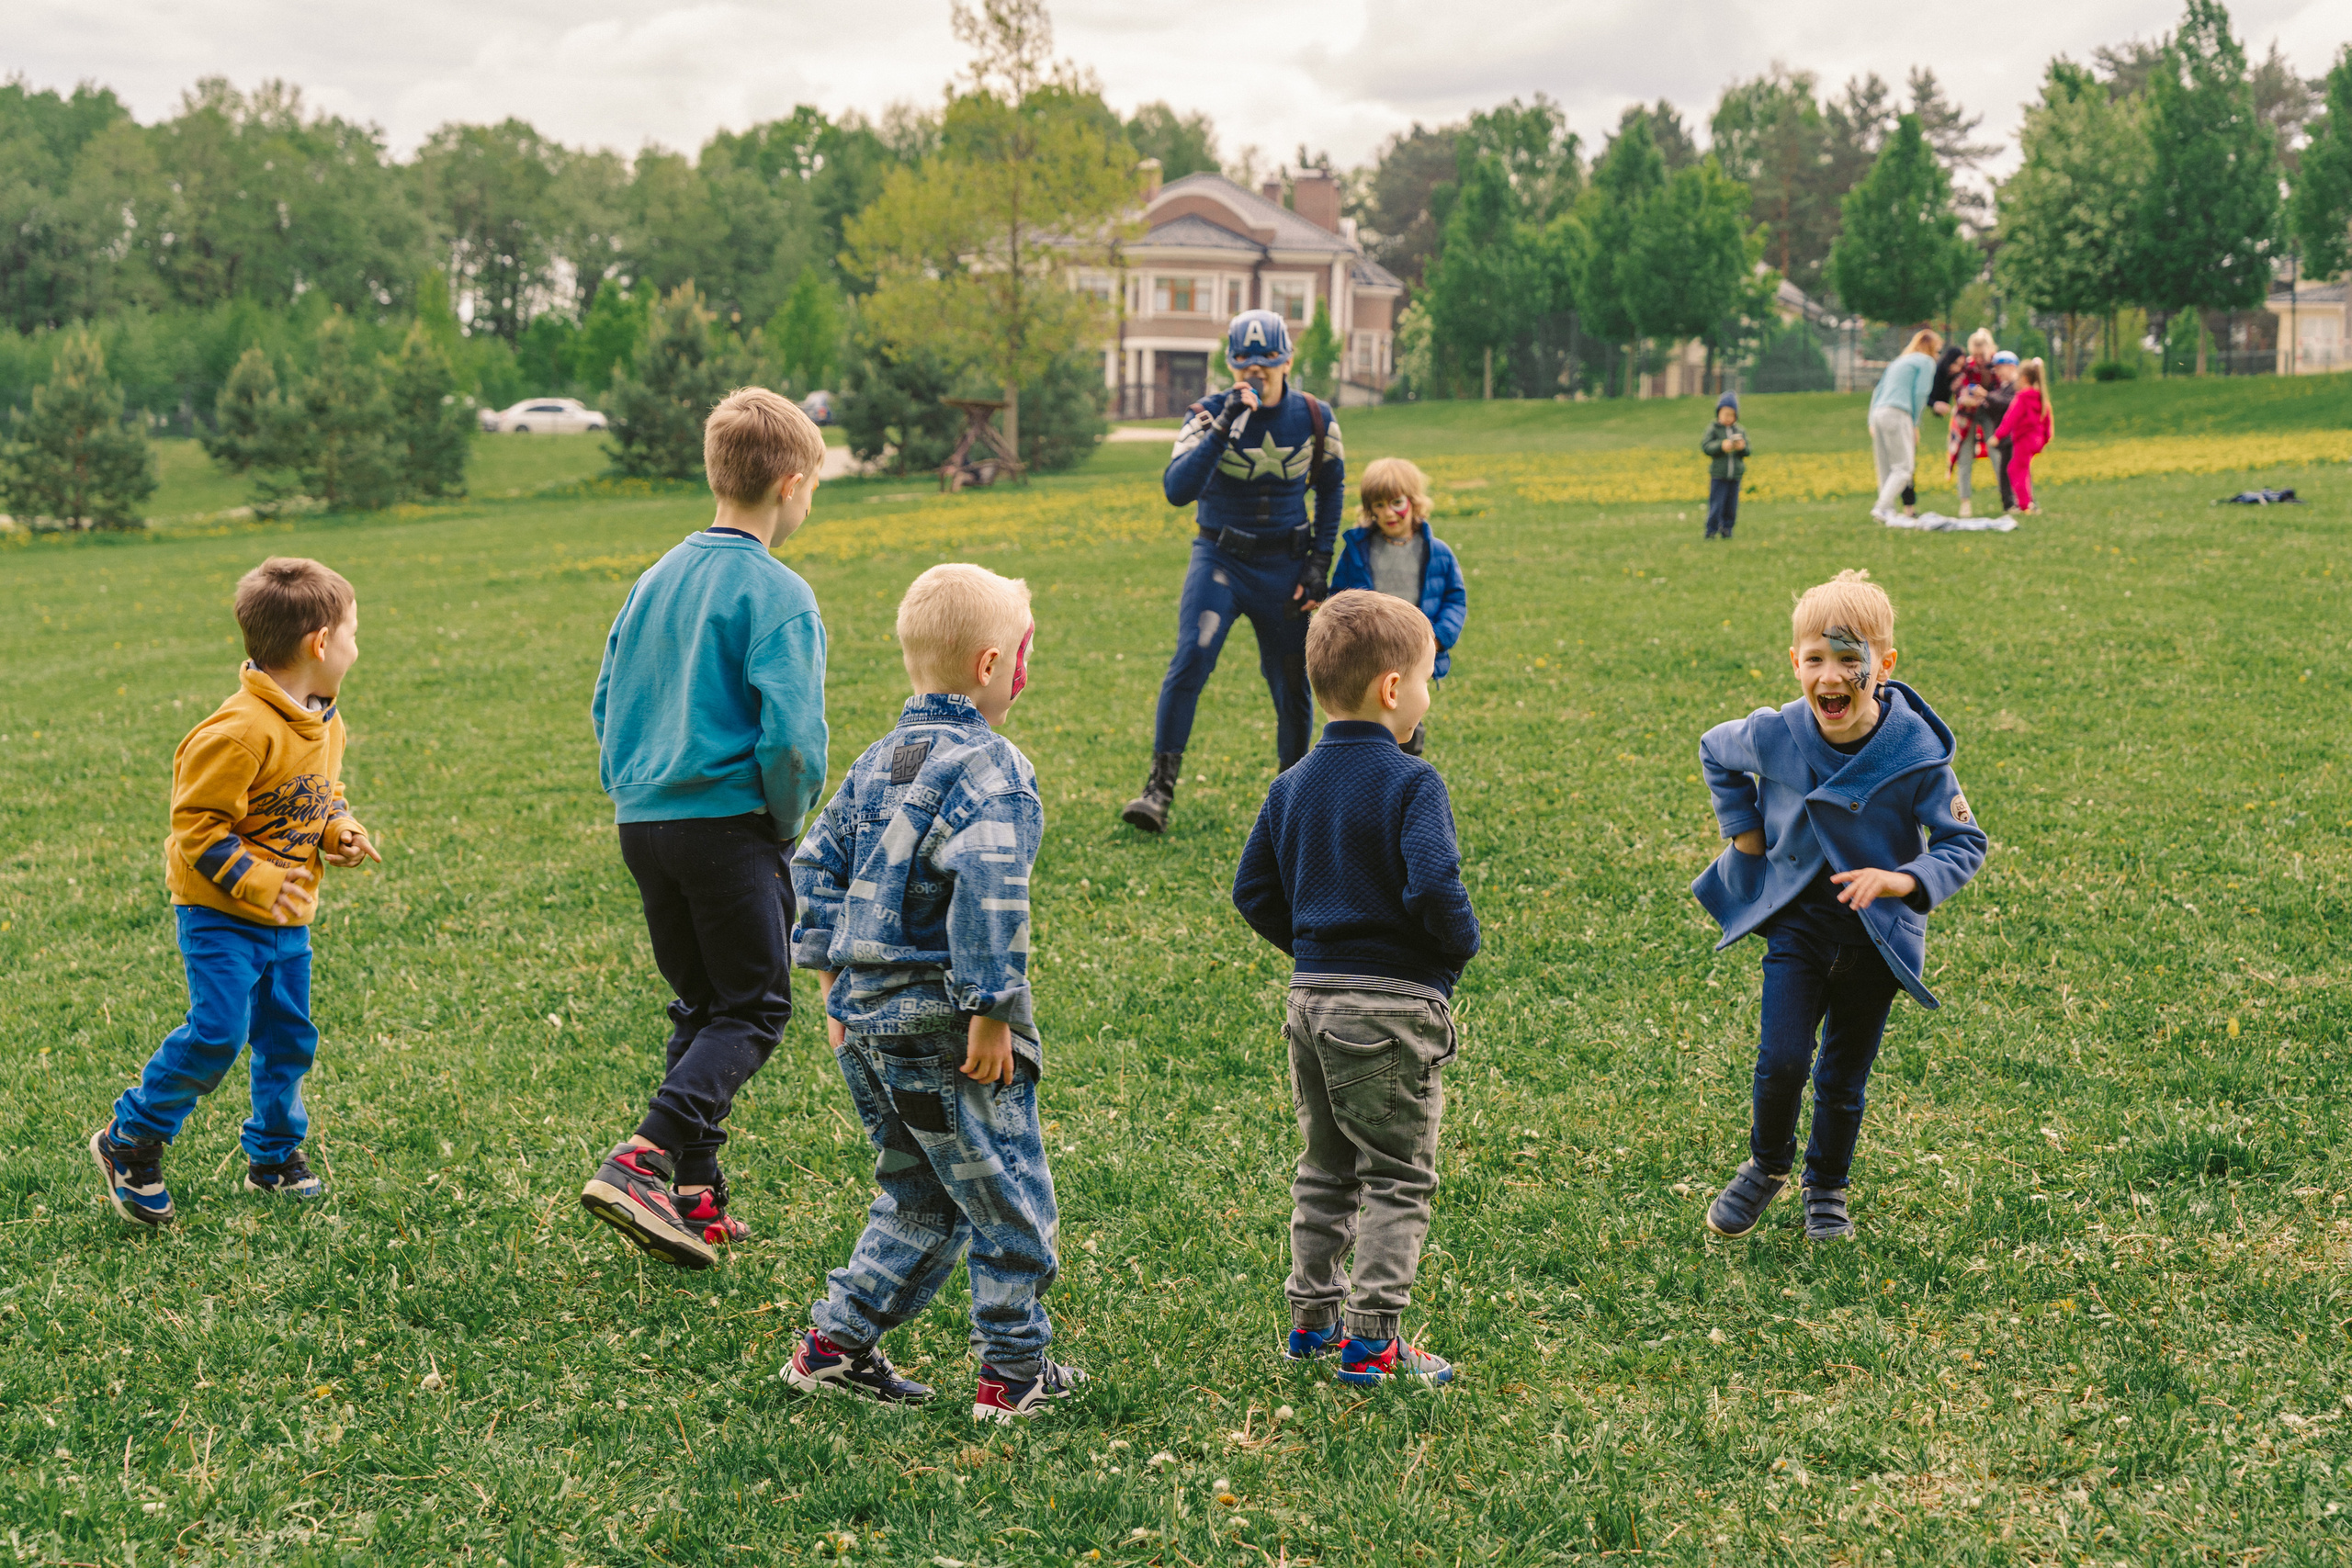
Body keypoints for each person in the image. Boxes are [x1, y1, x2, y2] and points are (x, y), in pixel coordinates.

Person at [786, 564, 1085, 1423]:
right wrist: (992, 1010)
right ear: (994, 665)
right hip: (949, 1024)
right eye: (1026, 651)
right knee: (1009, 1201)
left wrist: (833, 981)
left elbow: (812, 868)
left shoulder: (880, 759)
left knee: (918, 1196)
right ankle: (1013, 1372)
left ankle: (833, 1347)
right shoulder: (994, 769)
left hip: (870, 1020)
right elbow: (992, 891)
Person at [580, 388, 831, 1271]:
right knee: (756, 1006)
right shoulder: (780, 593)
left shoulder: (655, 579)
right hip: (731, 825)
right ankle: (645, 1155)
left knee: (705, 1004)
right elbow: (793, 740)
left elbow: (607, 700)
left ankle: (693, 1195)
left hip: (644, 823)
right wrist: (785, 821)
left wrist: (632, 788)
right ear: (792, 484)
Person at [1690, 570, 1986, 1242]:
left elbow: (1964, 840)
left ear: (1883, 665)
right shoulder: (1777, 735)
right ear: (1795, 662)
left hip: (1874, 942)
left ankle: (1826, 1186)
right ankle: (1767, 1165)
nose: (1832, 675)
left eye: (1850, 659)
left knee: (1843, 1077)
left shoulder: (1912, 753)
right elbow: (1715, 749)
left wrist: (1903, 880)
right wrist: (1744, 831)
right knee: (1783, 1060)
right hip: (1798, 930)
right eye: (1816, 659)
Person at [1232, 590, 1480, 1387]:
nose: (1429, 693)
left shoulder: (1293, 783)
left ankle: (1312, 1322)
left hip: (1311, 1004)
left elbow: (1253, 891)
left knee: (1326, 1167)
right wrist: (1455, 949)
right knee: (1398, 1176)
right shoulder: (1414, 782)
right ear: (1392, 689)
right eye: (1428, 678)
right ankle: (1372, 1343)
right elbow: (1436, 884)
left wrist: (1311, 947)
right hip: (1392, 1006)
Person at [91, 558, 381, 1226]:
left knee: (287, 1036)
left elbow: (320, 794)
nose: (355, 649)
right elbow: (196, 824)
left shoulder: (323, 719)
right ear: (320, 643)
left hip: (289, 913)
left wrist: (338, 829)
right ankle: (130, 1138)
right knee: (220, 1031)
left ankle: (274, 1158)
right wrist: (255, 879)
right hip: (221, 912)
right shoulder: (238, 731)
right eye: (353, 634)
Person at [1123, 308, 1345, 834]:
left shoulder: (1316, 416)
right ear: (1230, 362)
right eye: (1245, 364)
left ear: (1287, 360)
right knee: (1191, 659)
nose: (1256, 374)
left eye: (1267, 363)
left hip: (1285, 563)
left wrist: (1318, 563)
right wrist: (1224, 424)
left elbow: (1333, 489)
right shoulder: (1205, 413)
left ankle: (1295, 793)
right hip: (1220, 559)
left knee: (1292, 682)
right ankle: (1158, 789)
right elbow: (1178, 490)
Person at [1328, 457, 1467, 755]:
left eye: (1396, 502)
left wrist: (1437, 638)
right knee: (1367, 721)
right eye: (1378, 505)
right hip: (1370, 655)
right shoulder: (1357, 551)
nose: (1388, 512)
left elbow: (1455, 599)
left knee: (1407, 723)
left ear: (1414, 502)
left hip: (1416, 655)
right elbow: (1338, 599)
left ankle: (1405, 774)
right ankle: (1367, 771)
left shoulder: (1436, 552)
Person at [1868, 330, 1941, 522]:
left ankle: (1887, 511)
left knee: (1885, 467)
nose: (1938, 355)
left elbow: (1878, 390)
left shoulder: (1899, 361)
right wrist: (1914, 423)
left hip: (1879, 412)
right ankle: (1882, 507)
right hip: (1898, 413)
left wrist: (1870, 420)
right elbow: (1921, 392)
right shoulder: (1926, 362)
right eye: (1938, 350)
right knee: (1903, 468)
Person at [1942, 331, 1998, 519]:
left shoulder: (1997, 366)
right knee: (1964, 457)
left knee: (1997, 452)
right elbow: (1958, 389)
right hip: (1966, 415)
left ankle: (2007, 497)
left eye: (1982, 355)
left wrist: (1986, 397)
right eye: (1975, 355)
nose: (1979, 359)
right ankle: (1965, 503)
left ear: (1990, 350)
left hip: (1989, 413)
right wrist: (1964, 398)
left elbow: (2003, 392)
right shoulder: (1966, 366)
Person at [1995, 357, 2054, 515]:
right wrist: (2046, 438)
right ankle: (2028, 502)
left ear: (2024, 379)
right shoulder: (2040, 396)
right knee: (2023, 469)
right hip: (2036, 440)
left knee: (2015, 470)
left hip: (2024, 440)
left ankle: (2024, 505)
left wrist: (1998, 435)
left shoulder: (2022, 397)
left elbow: (2010, 418)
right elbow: (2047, 420)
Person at [1700, 390, 1750, 539]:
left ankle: (1727, 528)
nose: (1728, 418)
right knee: (1717, 503)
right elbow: (1706, 446)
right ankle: (1711, 529)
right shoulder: (1713, 429)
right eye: (1725, 414)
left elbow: (1748, 451)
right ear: (1718, 413)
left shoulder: (1739, 430)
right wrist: (1721, 446)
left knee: (1731, 505)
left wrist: (1742, 447)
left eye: (1732, 415)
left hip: (1735, 475)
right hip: (1719, 474)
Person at [1981, 351, 2022, 513]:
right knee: (2006, 472)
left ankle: (2018, 502)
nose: (1997, 373)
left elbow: (2009, 405)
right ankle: (2011, 503)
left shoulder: (2017, 387)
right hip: (2005, 438)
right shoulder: (2002, 388)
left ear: (2012, 367)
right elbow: (1996, 411)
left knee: (2014, 471)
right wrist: (1983, 402)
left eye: (2000, 368)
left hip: (2015, 437)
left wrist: (1986, 396)